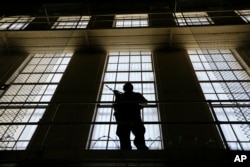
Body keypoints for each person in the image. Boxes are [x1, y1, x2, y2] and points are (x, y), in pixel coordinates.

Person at [113, 82, 149, 150]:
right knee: (130, 136)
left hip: (127, 119)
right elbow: (145, 103)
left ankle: (135, 150)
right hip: (132, 118)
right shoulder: (132, 95)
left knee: (133, 136)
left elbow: (145, 103)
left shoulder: (122, 96)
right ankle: (141, 150)